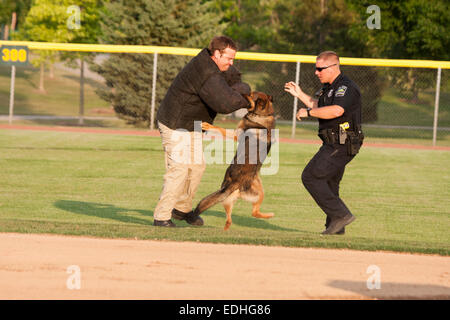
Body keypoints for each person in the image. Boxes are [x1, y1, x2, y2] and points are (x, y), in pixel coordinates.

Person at [154, 36, 251, 227]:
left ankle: (181, 210)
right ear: (216, 54)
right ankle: (161, 217)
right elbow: (225, 103)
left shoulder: (217, 66)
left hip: (194, 125)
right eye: (228, 59)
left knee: (197, 167)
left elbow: (238, 81)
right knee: (179, 170)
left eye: (233, 59)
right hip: (176, 124)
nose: (231, 63)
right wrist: (248, 100)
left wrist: (239, 90)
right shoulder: (206, 72)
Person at [284, 51, 364, 235]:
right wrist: (300, 95)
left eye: (320, 69)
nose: (316, 72)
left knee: (311, 176)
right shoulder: (328, 87)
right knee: (329, 182)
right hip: (333, 141)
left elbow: (336, 110)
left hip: (343, 142)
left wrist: (308, 113)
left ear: (333, 67)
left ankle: (341, 215)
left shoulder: (346, 87)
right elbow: (319, 105)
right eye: (315, 68)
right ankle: (336, 228)